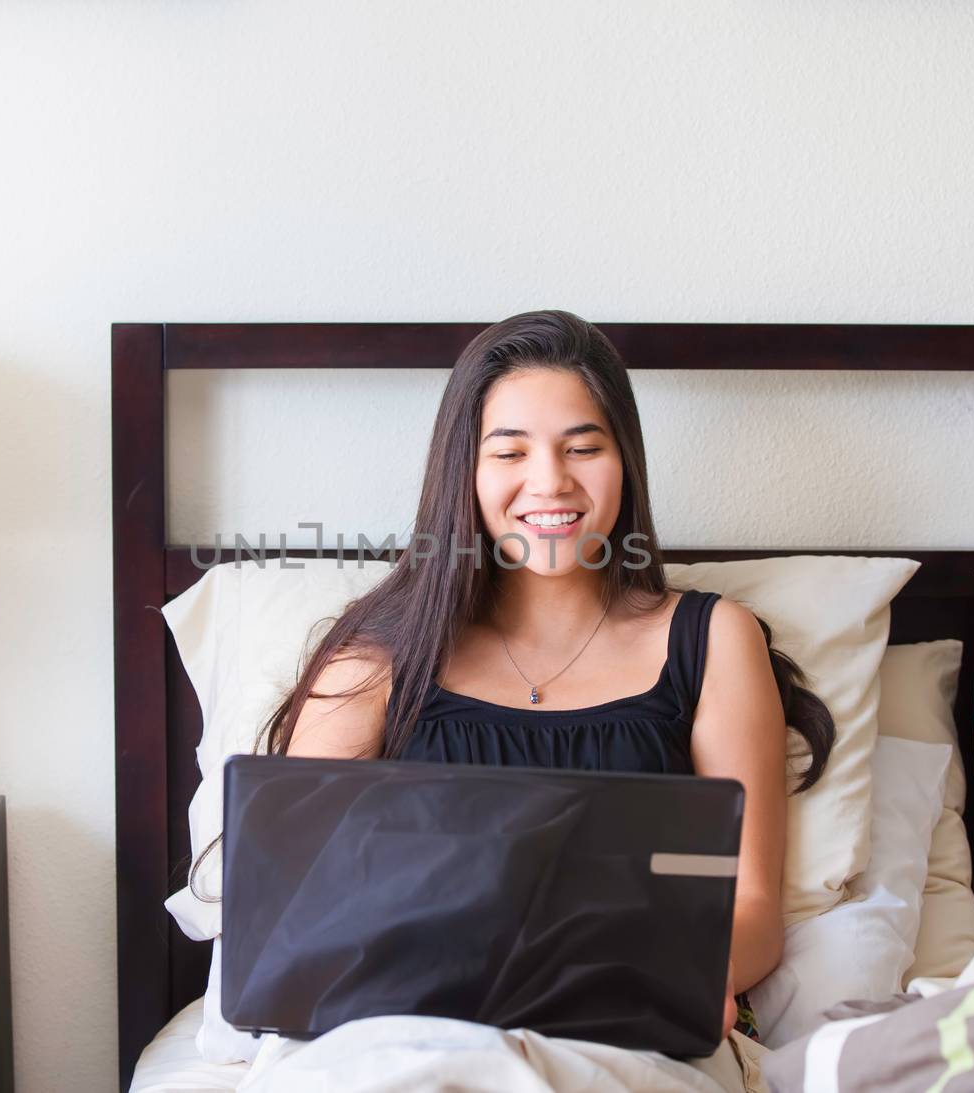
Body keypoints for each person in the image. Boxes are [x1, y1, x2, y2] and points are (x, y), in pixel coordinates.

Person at [260, 309, 835, 1044]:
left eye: (583, 446)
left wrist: (658, 978)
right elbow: (294, 914)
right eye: (510, 452)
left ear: (624, 460)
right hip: (410, 1039)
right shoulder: (377, 658)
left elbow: (751, 910)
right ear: (464, 470)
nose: (549, 481)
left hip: (624, 1030)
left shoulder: (714, 639)